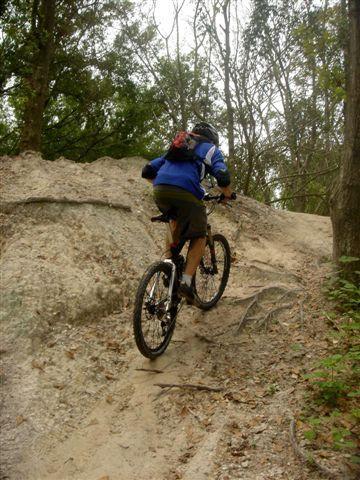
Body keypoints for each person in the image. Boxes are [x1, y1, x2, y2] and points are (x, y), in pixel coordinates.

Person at [141, 122, 234, 304]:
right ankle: (185, 282)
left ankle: (168, 266)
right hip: (187, 192)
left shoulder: (178, 147)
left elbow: (147, 171)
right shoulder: (210, 150)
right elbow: (222, 176)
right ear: (212, 139)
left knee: (174, 221)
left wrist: (165, 184)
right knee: (199, 236)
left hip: (160, 189)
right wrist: (227, 195)